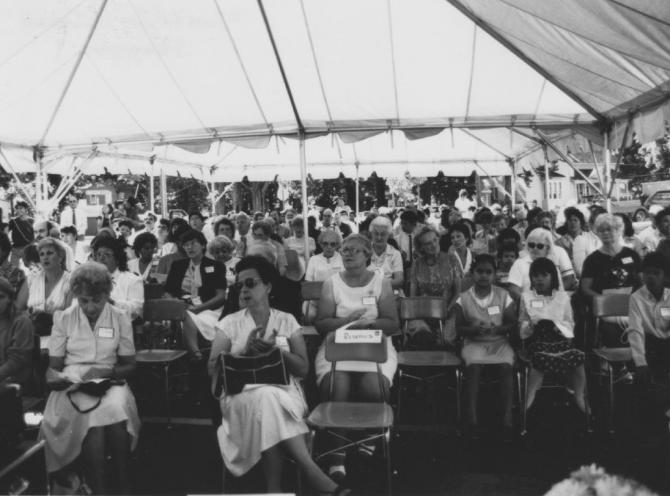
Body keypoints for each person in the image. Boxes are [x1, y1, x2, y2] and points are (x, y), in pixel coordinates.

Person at [208, 256, 345, 494]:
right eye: (240, 285)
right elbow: (212, 369)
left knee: (268, 400)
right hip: (239, 396)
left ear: (268, 287)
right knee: (266, 398)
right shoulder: (229, 323)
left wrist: (277, 354)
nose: (244, 289)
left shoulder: (286, 320)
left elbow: (302, 369)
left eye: (251, 283)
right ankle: (310, 472)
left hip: (286, 395)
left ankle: (275, 489)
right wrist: (244, 351)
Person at [40, 262, 139, 494]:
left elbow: (130, 366)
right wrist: (53, 379)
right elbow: (53, 368)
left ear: (107, 294)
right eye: (83, 300)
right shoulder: (63, 318)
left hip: (111, 378)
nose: (90, 307)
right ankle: (100, 485)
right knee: (95, 418)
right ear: (76, 296)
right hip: (72, 378)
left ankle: (121, 478)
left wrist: (107, 372)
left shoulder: (120, 317)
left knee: (115, 406)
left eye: (97, 300)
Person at [314, 234, 398, 481]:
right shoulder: (331, 283)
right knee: (335, 386)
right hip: (337, 346)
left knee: (373, 386)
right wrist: (347, 322)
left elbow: (392, 323)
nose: (348, 253)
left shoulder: (381, 282)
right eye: (345, 249)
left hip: (375, 344)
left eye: (355, 250)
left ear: (367, 255)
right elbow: (321, 324)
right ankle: (337, 451)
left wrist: (369, 325)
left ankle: (368, 438)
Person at [455, 255, 516, 440]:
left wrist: (498, 328)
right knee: (473, 368)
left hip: (499, 342)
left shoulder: (504, 295)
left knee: (507, 367)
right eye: (480, 271)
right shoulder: (463, 298)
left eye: (488, 272)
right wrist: (473, 330)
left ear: (494, 275)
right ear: (472, 273)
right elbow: (459, 328)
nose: (484, 275)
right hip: (473, 343)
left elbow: (512, 323)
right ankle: (471, 420)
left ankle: (507, 419)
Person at [519, 258, 586, 412]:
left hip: (560, 340)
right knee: (539, 358)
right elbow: (521, 322)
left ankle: (579, 395)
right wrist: (528, 326)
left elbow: (570, 323)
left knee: (578, 356)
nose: (539, 279)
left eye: (544, 275)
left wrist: (560, 328)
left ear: (553, 277)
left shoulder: (563, 298)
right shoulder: (526, 297)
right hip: (537, 339)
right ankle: (529, 396)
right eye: (535, 276)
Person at [581, 213, 642, 348]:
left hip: (632, 307)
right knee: (609, 333)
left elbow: (642, 282)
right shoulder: (592, 260)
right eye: (601, 230)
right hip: (606, 312)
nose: (605, 233)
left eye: (609, 229)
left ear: (619, 230)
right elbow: (585, 288)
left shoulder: (631, 255)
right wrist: (605, 300)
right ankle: (617, 366)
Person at [165, 229, 227, 358]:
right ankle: (196, 354)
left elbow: (221, 296)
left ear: (203, 245)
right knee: (184, 313)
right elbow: (168, 292)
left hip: (209, 309)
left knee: (186, 316)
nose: (189, 247)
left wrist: (199, 308)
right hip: (182, 308)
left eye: (193, 243)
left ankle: (193, 355)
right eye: (186, 244)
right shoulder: (177, 265)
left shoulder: (216, 266)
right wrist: (178, 305)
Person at [408, 226, 461, 346]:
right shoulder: (417, 264)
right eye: (427, 243)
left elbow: (458, 292)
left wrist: (446, 311)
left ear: (438, 239)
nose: (433, 245)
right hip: (422, 312)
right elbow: (413, 295)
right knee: (423, 338)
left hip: (448, 311)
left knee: (446, 340)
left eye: (435, 240)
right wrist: (421, 314)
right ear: (421, 247)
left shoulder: (451, 259)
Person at [627, 253, 670, 400]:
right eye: (647, 273)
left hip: (667, 343)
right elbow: (635, 331)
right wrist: (640, 361)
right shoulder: (636, 298)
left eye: (656, 273)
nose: (651, 277)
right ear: (642, 275)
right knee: (645, 383)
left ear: (664, 275)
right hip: (648, 344)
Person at [16, 238, 73, 335]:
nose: (45, 257)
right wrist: (27, 315)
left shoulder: (71, 281)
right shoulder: (31, 279)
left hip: (59, 335)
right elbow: (18, 310)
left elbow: (70, 317)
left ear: (60, 257)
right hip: (31, 335)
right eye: (42, 254)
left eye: (50, 253)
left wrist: (46, 318)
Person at [507, 227, 576, 300]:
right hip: (526, 307)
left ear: (548, 248)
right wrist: (528, 304)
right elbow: (513, 290)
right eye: (531, 245)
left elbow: (560, 291)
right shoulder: (519, 263)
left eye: (540, 246)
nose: (535, 249)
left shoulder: (552, 265)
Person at [93, 237, 144, 321]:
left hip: (121, 326)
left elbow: (137, 310)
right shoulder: (90, 279)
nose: (101, 258)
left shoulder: (133, 280)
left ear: (117, 258)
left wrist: (112, 303)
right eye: (98, 254)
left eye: (107, 254)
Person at [0, 277, 34, 387]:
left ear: (10, 298)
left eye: (0, 297)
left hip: (14, 381)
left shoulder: (21, 322)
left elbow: (17, 361)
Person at [368, 216, 404, 291]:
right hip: (367, 292)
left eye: (383, 234)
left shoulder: (395, 253)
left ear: (389, 235)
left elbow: (399, 280)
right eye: (376, 233)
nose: (379, 237)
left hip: (389, 291)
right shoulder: (364, 251)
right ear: (371, 233)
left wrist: (377, 285)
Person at [572, 206, 606, 278]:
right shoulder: (581, 240)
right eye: (598, 223)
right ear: (591, 224)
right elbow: (580, 270)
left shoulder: (612, 239)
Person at [283, 216, 316, 281]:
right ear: (292, 228)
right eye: (296, 226)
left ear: (305, 227)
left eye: (301, 226)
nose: (298, 229)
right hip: (291, 268)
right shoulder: (287, 241)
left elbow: (309, 252)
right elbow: (286, 255)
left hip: (307, 268)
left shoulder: (310, 240)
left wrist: (294, 253)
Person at [9, 201, 34, 265]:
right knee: (13, 270)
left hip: (27, 249)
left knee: (32, 269)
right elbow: (5, 232)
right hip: (15, 249)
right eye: (17, 208)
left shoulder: (32, 221)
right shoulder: (13, 221)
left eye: (21, 208)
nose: (18, 210)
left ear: (26, 209)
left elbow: (35, 235)